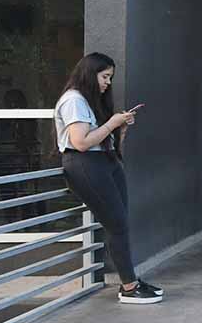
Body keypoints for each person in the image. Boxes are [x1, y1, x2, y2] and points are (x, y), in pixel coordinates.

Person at [55, 53, 163, 304]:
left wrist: (119, 129)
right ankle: (128, 286)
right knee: (116, 223)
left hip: (104, 162)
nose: (107, 83)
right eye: (104, 77)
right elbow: (80, 142)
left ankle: (131, 281)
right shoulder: (74, 100)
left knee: (121, 222)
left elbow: (104, 142)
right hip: (85, 164)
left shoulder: (90, 101)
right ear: (89, 74)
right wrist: (112, 122)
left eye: (110, 78)